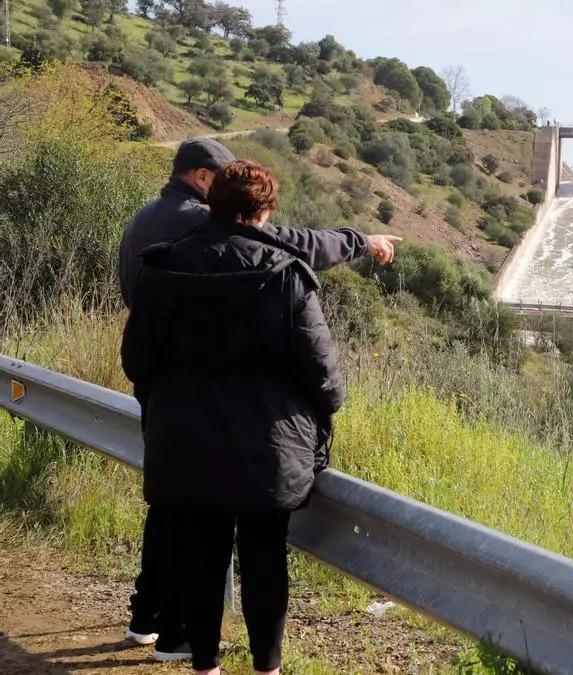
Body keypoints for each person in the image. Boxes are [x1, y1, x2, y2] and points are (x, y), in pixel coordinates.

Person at [118, 138, 401, 662]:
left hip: (183, 439)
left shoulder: (159, 260)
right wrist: (319, 413)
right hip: (268, 448)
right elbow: (323, 374)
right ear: (263, 211)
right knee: (264, 559)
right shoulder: (285, 273)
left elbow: (136, 360)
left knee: (200, 555)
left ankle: (199, 661)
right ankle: (266, 667)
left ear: (213, 199)